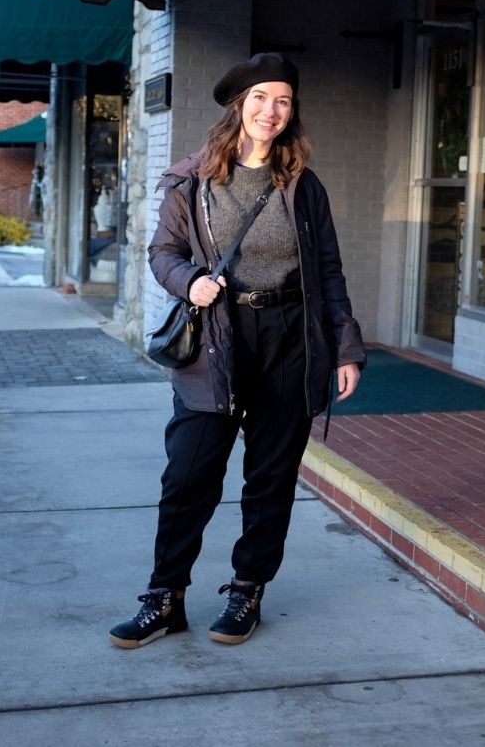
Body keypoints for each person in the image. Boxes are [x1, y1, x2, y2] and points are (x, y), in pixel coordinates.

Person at [110, 53, 365, 649]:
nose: (270, 111)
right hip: (216, 342)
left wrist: (346, 347)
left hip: (290, 339)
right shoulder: (191, 180)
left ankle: (247, 590)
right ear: (237, 106)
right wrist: (189, 281)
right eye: (259, 98)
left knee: (269, 480)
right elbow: (162, 251)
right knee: (189, 477)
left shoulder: (304, 184)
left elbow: (328, 271)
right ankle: (164, 598)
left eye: (282, 101)